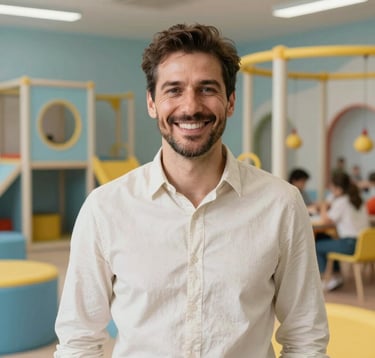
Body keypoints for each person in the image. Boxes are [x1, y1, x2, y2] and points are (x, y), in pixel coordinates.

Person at [54, 24, 329, 357]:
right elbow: (79, 340)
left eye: (207, 88)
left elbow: (305, 335)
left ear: (230, 102)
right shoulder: (105, 208)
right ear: (152, 103)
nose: (191, 106)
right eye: (173, 90)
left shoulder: (281, 204)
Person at [316, 172, 368, 291]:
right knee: (326, 239)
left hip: (350, 244)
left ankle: (327, 279)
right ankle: (336, 276)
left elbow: (326, 220)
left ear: (338, 188)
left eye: (332, 187)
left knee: (318, 245)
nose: (331, 190)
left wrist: (323, 206)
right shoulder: (358, 200)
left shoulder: (341, 202)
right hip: (363, 244)